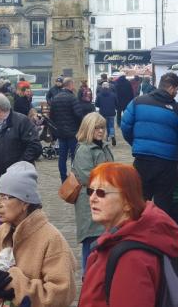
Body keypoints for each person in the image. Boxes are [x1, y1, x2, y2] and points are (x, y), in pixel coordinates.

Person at [78, 162, 178, 307]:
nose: (92, 198)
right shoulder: (117, 238)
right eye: (91, 191)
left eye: (101, 193)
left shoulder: (132, 260)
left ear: (127, 202)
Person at [0, 162, 77, 307]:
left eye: (5, 197)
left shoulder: (51, 238)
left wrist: (17, 283)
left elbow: (62, 294)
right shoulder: (1, 232)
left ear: (25, 203)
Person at [120, 72, 178, 231]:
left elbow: (126, 126)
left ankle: (138, 234)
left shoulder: (137, 102)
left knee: (140, 200)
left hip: (143, 160)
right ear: (171, 88)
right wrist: (177, 157)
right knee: (163, 204)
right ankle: (158, 236)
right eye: (176, 90)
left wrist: (137, 144)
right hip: (167, 164)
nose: (176, 93)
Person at [72, 112, 114, 272]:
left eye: (102, 127)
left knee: (103, 240)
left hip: (105, 198)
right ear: (88, 128)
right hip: (90, 201)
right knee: (91, 242)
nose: (101, 131)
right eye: (97, 128)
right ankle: (88, 276)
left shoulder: (103, 146)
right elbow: (86, 176)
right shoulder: (84, 149)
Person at [0, 93, 42, 176]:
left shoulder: (22, 121)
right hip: (0, 177)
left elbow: (35, 147)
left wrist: (19, 166)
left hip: (20, 176)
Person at [50, 77, 85, 183]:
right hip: (73, 132)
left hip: (61, 132)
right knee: (75, 156)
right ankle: (74, 178)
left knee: (62, 157)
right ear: (70, 85)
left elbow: (52, 116)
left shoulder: (55, 98)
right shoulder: (72, 98)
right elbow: (79, 114)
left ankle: (63, 179)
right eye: (73, 84)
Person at [95, 82, 117, 146]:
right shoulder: (113, 94)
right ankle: (112, 135)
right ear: (108, 87)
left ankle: (105, 138)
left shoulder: (99, 95)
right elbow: (116, 103)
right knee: (111, 126)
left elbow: (96, 104)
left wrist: (101, 106)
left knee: (103, 126)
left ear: (102, 87)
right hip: (111, 112)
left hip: (103, 113)